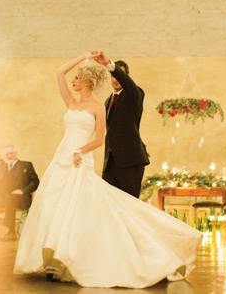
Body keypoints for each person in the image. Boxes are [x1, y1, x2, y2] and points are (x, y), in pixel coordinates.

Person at [14, 53, 202, 288]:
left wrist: (82, 150)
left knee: (122, 209)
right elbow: (59, 73)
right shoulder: (86, 103)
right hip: (70, 160)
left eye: (77, 78)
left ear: (87, 81)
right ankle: (55, 257)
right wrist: (83, 57)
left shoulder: (130, 95)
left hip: (103, 160)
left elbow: (101, 137)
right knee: (65, 205)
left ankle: (141, 255)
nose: (73, 81)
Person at [91, 51, 149, 198]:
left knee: (129, 206)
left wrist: (108, 65)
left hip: (130, 162)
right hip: (110, 162)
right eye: (112, 76)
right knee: (107, 204)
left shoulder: (134, 94)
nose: (115, 79)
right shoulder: (107, 101)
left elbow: (128, 85)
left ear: (127, 77)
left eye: (118, 75)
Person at [0, 145, 39, 241]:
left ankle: (11, 232)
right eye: (7, 154)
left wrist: (22, 191)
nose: (9, 156)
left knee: (9, 198)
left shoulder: (26, 165)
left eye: (11, 153)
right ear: (5, 156)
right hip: (6, 198)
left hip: (22, 199)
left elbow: (35, 182)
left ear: (15, 154)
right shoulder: (2, 168)